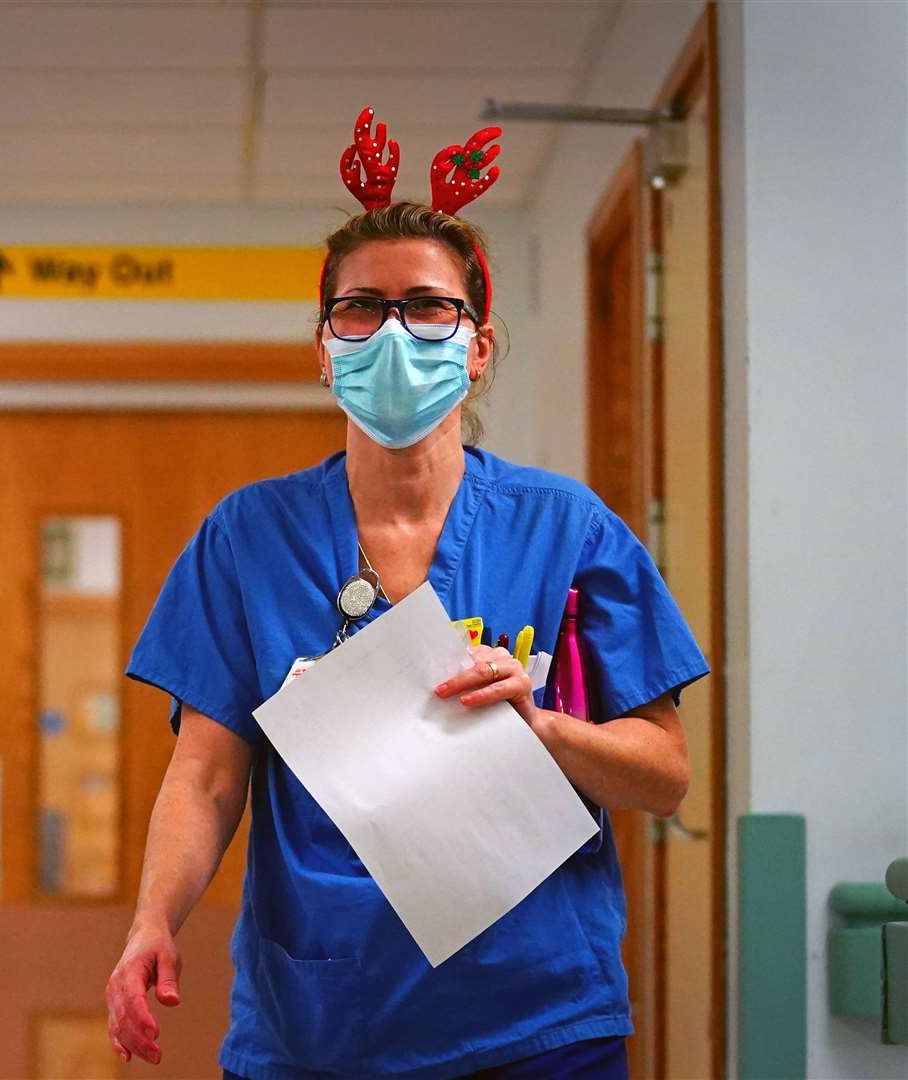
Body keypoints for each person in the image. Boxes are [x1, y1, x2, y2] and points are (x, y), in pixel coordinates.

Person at [104, 191, 710, 1079]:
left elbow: (664, 778)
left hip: (534, 1020)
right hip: (317, 1024)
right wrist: (153, 919)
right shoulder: (248, 538)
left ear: (478, 344)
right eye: (360, 308)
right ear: (325, 347)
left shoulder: (565, 529)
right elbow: (206, 774)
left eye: (428, 306)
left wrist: (541, 727)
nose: (394, 333)